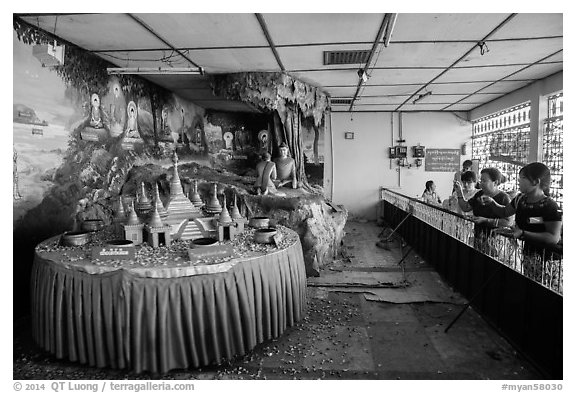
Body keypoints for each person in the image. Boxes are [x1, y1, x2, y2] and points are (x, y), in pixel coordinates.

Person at [480, 163, 562, 285]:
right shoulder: (520, 199)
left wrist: (523, 233)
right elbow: (505, 211)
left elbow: (553, 238)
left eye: (522, 178)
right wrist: (492, 203)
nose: (518, 181)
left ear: (536, 181)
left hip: (548, 260)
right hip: (528, 255)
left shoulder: (550, 206)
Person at [453, 167, 514, 243]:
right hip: (479, 237)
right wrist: (459, 192)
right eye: (481, 180)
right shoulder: (479, 194)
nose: (481, 184)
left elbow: (508, 222)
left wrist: (486, 220)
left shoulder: (504, 198)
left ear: (495, 183)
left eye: (484, 181)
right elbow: (466, 207)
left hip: (496, 240)